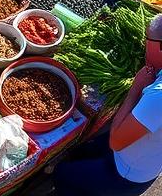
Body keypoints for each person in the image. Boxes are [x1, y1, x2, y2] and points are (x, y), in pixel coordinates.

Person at [53, 13, 162, 196]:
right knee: (81, 151)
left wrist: (136, 87)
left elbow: (116, 141)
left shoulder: (158, 96)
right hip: (140, 152)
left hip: (128, 174)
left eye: (147, 41)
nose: (144, 46)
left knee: (62, 174)